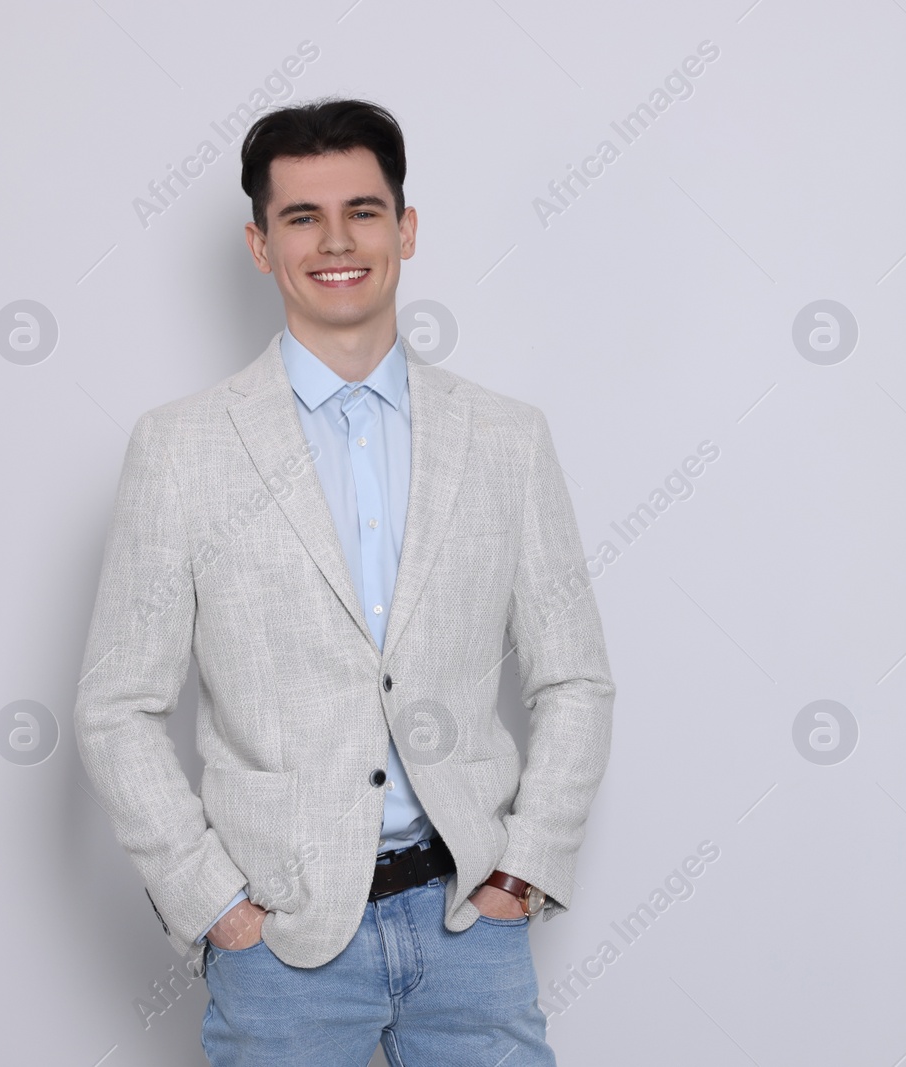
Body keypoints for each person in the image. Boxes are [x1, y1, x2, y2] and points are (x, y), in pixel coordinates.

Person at [74, 97, 614, 1066]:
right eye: (301, 216)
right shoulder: (181, 448)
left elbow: (572, 677)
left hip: (468, 929)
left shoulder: (505, 437)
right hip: (280, 944)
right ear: (258, 243)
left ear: (404, 229)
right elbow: (117, 705)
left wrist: (519, 876)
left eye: (363, 210)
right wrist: (216, 905)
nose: (337, 240)